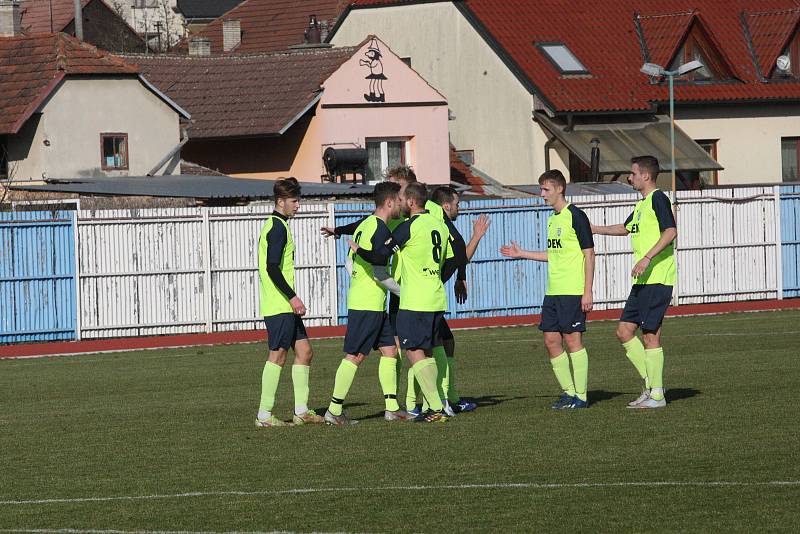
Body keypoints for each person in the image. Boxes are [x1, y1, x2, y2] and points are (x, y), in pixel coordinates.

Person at [353, 181, 456, 422]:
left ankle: (435, 407)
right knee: (427, 352)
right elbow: (450, 259)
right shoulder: (439, 225)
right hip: (436, 298)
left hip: (415, 301)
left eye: (403, 198)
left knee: (412, 351)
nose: (400, 202)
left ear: (411, 202)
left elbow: (380, 254)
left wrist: (359, 250)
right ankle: (435, 405)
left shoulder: (410, 227)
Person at [501, 170, 595, 409]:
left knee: (572, 341)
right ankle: (568, 392)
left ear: (560, 189)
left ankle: (581, 396)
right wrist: (522, 253)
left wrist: (587, 291)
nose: (542, 194)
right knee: (551, 341)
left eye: (546, 189)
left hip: (572, 291)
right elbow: (553, 256)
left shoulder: (576, 216)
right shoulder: (553, 219)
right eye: (541, 189)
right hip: (553, 292)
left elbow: (589, 254)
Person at [324, 182, 414, 425]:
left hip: (370, 303)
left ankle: (392, 408)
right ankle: (333, 411)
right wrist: (404, 293)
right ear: (389, 202)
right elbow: (378, 272)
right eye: (398, 201)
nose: (401, 205)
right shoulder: (381, 231)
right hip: (367, 305)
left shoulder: (365, 225)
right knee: (355, 356)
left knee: (389, 351)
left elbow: (349, 263)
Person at [591, 156, 677, 409]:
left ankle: (657, 394)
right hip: (643, 281)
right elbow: (626, 228)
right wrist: (595, 228)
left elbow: (671, 231)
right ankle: (652, 386)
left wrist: (648, 257)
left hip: (658, 278)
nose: (629, 177)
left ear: (646, 176)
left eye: (633, 173)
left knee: (651, 335)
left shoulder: (659, 199)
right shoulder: (643, 205)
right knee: (624, 331)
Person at [406, 186, 490, 416]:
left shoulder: (433, 215)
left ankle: (445, 398)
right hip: (418, 296)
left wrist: (460, 276)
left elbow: (456, 254)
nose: (459, 208)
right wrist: (476, 237)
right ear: (446, 205)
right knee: (421, 349)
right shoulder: (432, 214)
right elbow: (460, 250)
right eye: (457, 204)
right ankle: (425, 402)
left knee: (440, 344)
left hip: (427, 295)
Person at [255, 178, 324, 427]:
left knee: (305, 353)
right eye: (294, 201)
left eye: (298, 200)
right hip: (279, 305)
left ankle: (301, 411)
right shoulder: (276, 228)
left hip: (284, 306)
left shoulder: (280, 225)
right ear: (280, 201)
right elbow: (272, 268)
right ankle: (264, 415)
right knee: (278, 356)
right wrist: (293, 297)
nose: (298, 206)